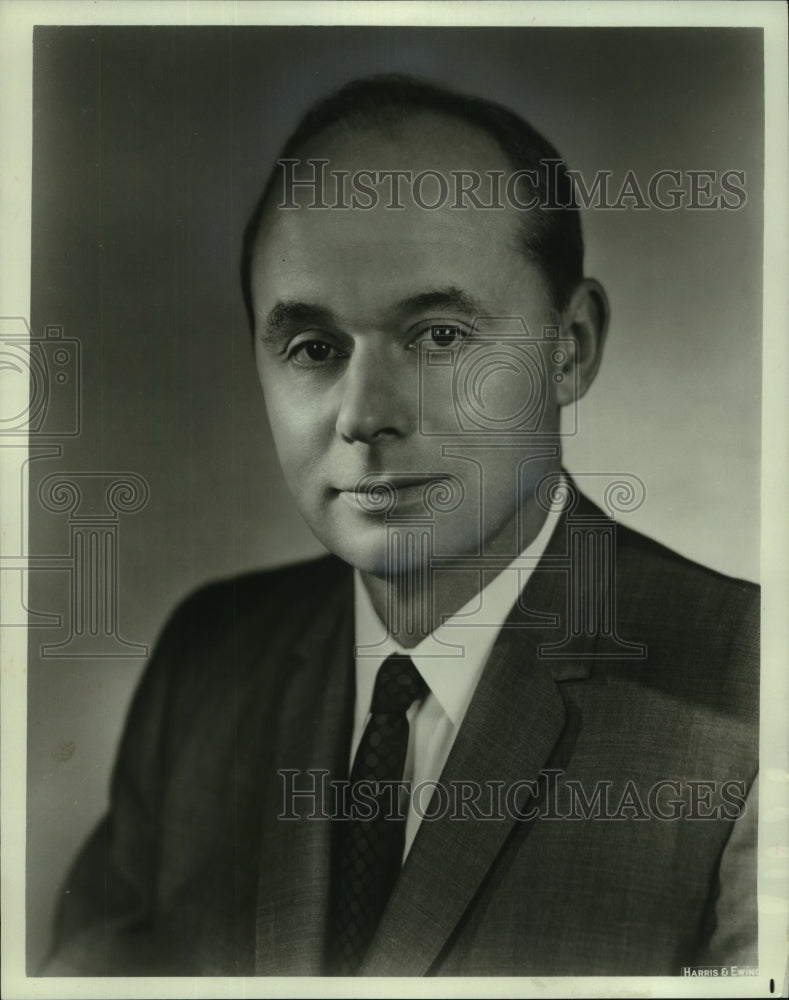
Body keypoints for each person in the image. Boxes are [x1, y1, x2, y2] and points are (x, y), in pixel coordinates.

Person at [43, 75, 758, 978]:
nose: (364, 415)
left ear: (568, 348)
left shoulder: (750, 694)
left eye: (440, 337)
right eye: (313, 348)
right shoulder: (208, 666)